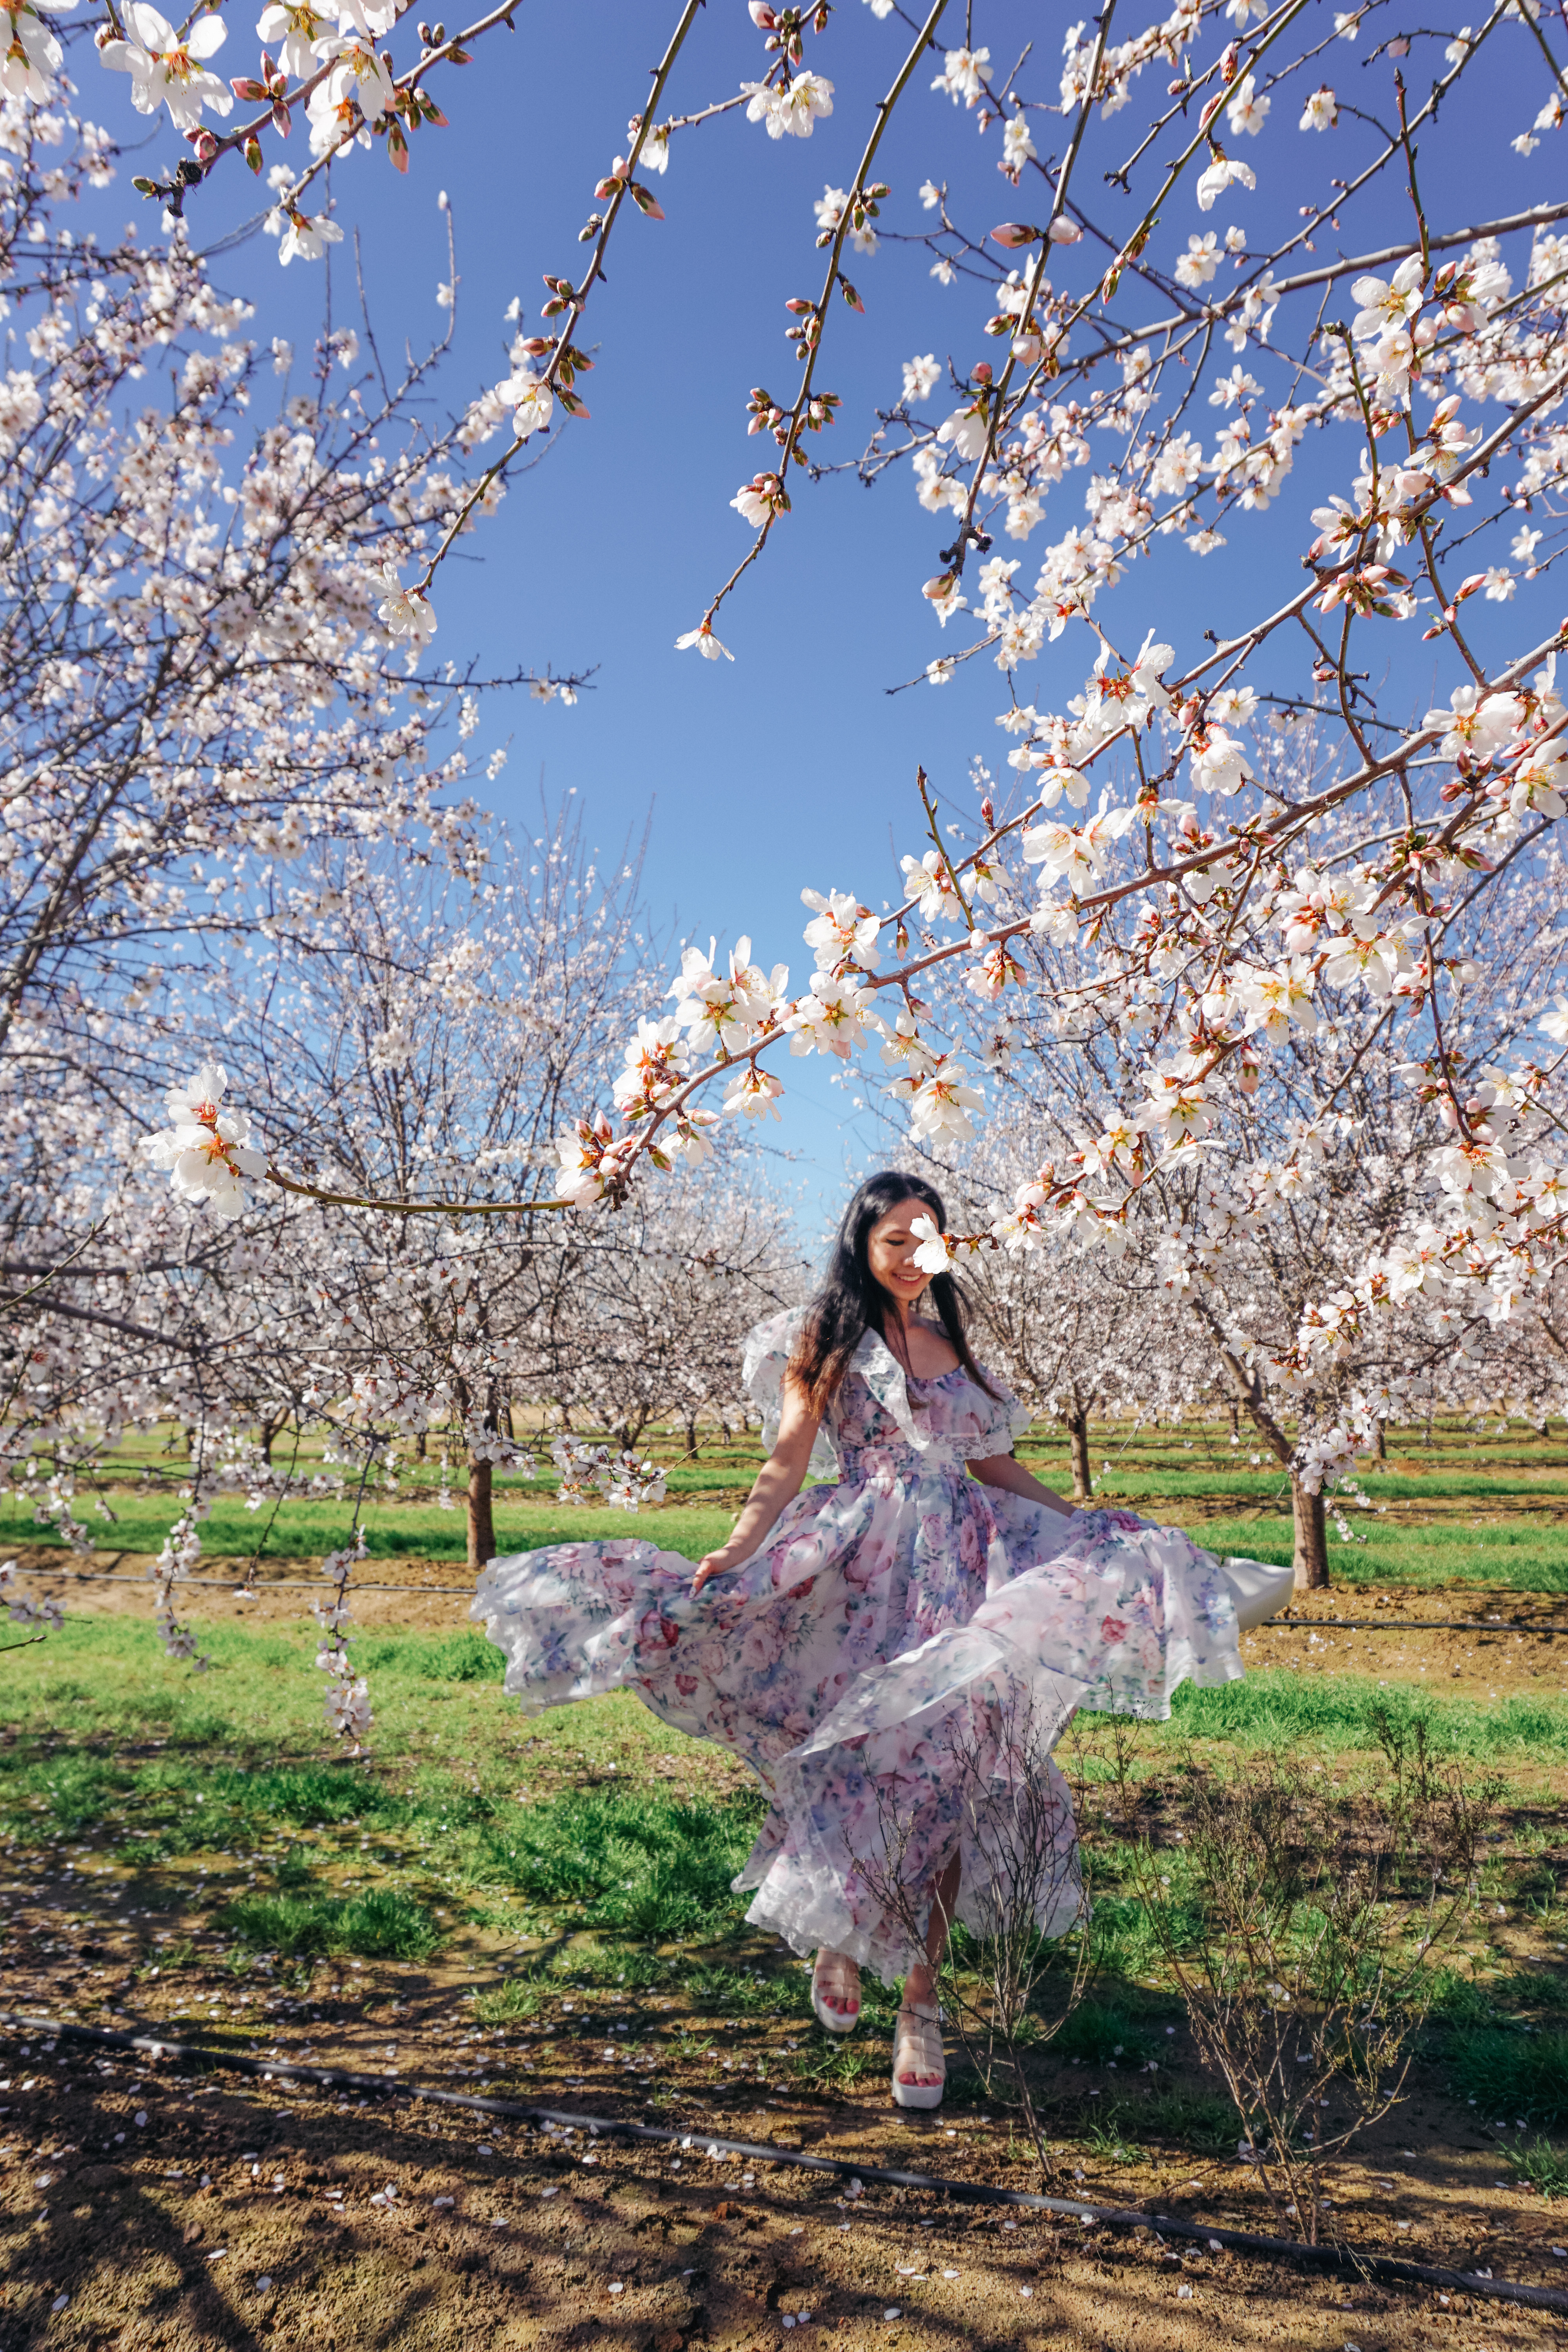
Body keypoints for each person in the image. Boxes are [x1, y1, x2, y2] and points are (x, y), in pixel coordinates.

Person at [473, 1172, 1292, 2112]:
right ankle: (838, 1933)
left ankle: (920, 2003)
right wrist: (740, 1545)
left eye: (928, 1240)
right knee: (860, 1760)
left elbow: (991, 1464)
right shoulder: (826, 1338)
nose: (912, 1257)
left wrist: (1085, 1528)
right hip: (864, 1567)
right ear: (862, 1242)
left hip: (965, 1565)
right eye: (895, 1240)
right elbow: (787, 1455)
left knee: (952, 1776)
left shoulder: (949, 1342)